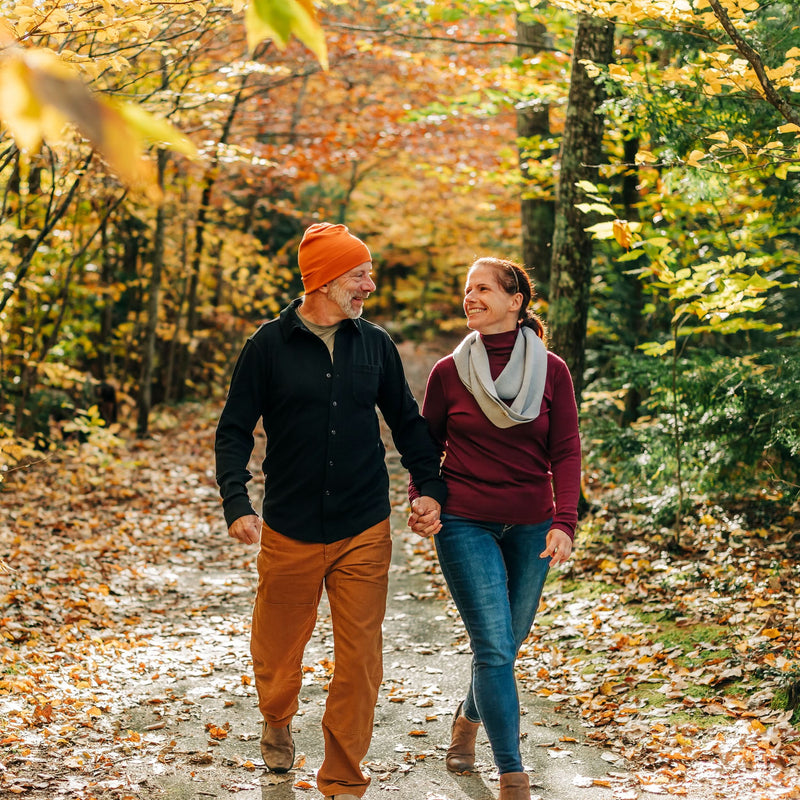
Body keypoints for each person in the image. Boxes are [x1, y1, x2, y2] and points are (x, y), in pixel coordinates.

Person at [215, 222, 446, 800]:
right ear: (323, 278)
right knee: (275, 653)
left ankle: (342, 780)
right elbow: (234, 430)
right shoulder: (267, 346)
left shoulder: (375, 344)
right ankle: (276, 716)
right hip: (290, 526)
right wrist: (237, 501)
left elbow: (408, 423)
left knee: (361, 657)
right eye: (360, 273)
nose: (370, 283)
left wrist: (430, 487)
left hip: (363, 524)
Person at [408, 256, 581, 800]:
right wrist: (423, 498)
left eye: (483, 288)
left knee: (510, 639)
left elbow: (566, 450)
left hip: (532, 523)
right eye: (467, 289)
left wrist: (565, 520)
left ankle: (466, 719)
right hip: (464, 521)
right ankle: (513, 773)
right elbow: (424, 448)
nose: (471, 297)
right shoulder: (448, 372)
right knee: (495, 648)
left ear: (516, 301)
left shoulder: (553, 371)